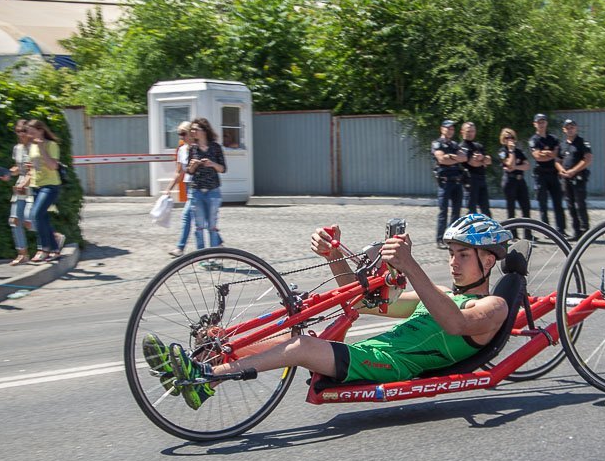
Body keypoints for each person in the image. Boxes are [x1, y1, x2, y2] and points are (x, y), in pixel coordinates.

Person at [143, 214, 513, 409]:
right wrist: (333, 254)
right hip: (370, 354)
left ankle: (205, 378)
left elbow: (455, 322)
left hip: (393, 366)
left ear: (488, 259)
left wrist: (410, 265)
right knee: (289, 338)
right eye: (450, 254)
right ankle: (197, 369)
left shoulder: (493, 307)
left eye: (463, 255)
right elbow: (364, 302)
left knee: (302, 345)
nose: (453, 262)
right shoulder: (439, 295)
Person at [165, 118, 226, 256]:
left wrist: (211, 164)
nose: (182, 137)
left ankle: (210, 249)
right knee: (197, 221)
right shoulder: (186, 149)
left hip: (210, 188)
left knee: (203, 222)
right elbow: (181, 171)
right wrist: (170, 188)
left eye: (183, 133)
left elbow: (223, 168)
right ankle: (203, 252)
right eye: (180, 134)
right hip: (193, 187)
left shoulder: (213, 147)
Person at [24, 118, 66, 263]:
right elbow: (33, 168)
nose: (30, 135)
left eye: (32, 132)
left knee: (35, 214)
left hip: (51, 185)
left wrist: (42, 148)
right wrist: (26, 183)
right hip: (36, 185)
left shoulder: (51, 145)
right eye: (28, 132)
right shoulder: (31, 146)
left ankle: (44, 248)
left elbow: (52, 166)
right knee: (43, 217)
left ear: (41, 130)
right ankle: (55, 247)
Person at [431, 119, 467, 248]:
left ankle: (451, 237)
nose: (450, 131)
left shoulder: (455, 144)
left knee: (456, 213)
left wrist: (450, 157)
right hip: (445, 183)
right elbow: (441, 159)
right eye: (448, 128)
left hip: (457, 182)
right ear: (442, 129)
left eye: (452, 129)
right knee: (443, 212)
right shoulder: (437, 143)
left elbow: (464, 158)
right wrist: (454, 158)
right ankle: (440, 239)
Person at [2, 119, 35, 265]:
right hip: (21, 185)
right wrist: (8, 173)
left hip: (33, 185)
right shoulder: (17, 148)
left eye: (24, 131)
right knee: (14, 220)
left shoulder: (35, 147)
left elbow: (33, 170)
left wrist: (24, 184)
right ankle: (22, 253)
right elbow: (18, 167)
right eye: (18, 131)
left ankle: (53, 237)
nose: (21, 134)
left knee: (30, 220)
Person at [529, 114, 566, 237]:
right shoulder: (533, 140)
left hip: (553, 174)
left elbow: (556, 154)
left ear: (546, 123)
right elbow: (537, 156)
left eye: (543, 121)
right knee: (543, 204)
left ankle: (561, 230)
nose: (541, 124)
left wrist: (545, 153)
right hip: (541, 175)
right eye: (539, 122)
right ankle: (547, 231)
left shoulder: (553, 138)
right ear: (535, 124)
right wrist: (548, 153)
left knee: (558, 203)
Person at [556, 118, 592, 237]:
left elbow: (587, 159)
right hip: (566, 179)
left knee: (580, 204)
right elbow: (557, 160)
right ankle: (576, 232)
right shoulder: (562, 145)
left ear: (576, 128)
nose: (570, 129)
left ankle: (585, 232)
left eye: (572, 127)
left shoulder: (582, 143)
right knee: (570, 205)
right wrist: (561, 170)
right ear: (564, 129)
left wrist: (573, 171)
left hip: (578, 178)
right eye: (567, 127)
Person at [498, 127, 531, 236]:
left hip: (520, 181)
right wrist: (511, 151)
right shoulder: (503, 152)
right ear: (503, 139)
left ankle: (528, 233)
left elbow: (527, 166)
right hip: (509, 181)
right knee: (511, 209)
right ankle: (513, 234)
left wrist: (515, 166)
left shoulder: (519, 151)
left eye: (512, 137)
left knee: (526, 207)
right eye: (507, 138)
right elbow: (509, 164)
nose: (510, 140)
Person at [458, 121, 491, 216]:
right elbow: (472, 163)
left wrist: (482, 158)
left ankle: (488, 230)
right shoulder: (462, 147)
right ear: (462, 132)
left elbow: (489, 160)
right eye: (468, 131)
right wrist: (482, 160)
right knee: (472, 211)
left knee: (486, 210)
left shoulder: (478, 146)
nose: (471, 133)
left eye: (473, 131)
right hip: (470, 180)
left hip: (481, 179)